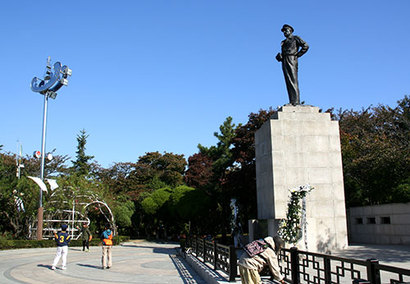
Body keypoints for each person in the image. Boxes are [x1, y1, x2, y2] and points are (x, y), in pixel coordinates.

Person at [276, 24, 309, 106]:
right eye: (283, 31)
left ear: (290, 30)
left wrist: (297, 55)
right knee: (288, 80)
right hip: (285, 60)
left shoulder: (295, 38)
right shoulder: (283, 42)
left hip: (292, 59)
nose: (284, 32)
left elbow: (305, 46)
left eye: (286, 30)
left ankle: (296, 101)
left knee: (293, 79)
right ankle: (292, 100)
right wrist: (280, 57)